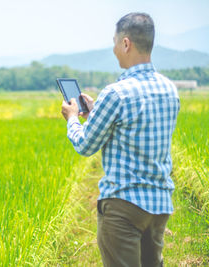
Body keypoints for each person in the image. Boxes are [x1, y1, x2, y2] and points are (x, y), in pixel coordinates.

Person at [61, 13, 180, 267]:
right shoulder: (169, 89)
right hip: (159, 205)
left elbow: (85, 144)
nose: (114, 49)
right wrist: (95, 114)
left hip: (123, 207)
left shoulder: (116, 93)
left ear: (126, 44)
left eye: (115, 42)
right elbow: (136, 130)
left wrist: (73, 118)